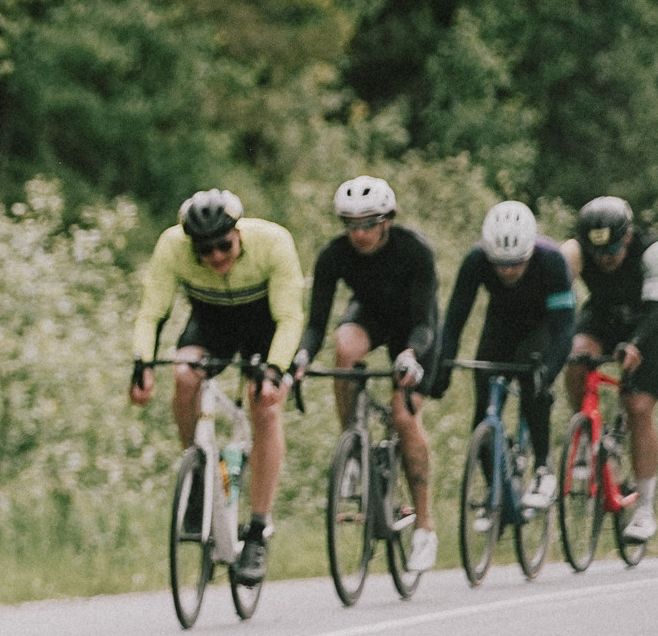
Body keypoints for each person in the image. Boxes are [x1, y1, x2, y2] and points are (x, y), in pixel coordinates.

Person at [128, 188, 303, 586]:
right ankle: (198, 475)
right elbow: (152, 310)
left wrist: (275, 370)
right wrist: (141, 362)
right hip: (212, 323)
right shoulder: (172, 245)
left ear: (238, 232)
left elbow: (290, 317)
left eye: (224, 246)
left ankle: (258, 529)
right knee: (183, 374)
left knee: (265, 407)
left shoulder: (273, 242)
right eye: (204, 252)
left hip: (265, 327)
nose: (217, 258)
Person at [293, 175, 442, 571]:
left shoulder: (415, 251)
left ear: (387, 220)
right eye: (351, 225)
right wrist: (302, 357)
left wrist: (411, 354)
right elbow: (316, 324)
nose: (359, 234)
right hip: (372, 318)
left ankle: (425, 527)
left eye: (369, 224)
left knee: (403, 416)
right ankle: (354, 446)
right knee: (344, 346)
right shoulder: (333, 255)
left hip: (415, 330)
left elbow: (426, 320)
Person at [429, 201, 575, 510]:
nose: (508, 271)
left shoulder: (551, 261)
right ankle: (495, 494)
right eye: (500, 264)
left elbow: (564, 330)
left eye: (517, 263)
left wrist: (547, 373)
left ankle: (543, 468)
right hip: (500, 327)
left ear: (530, 252)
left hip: (542, 327)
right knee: (483, 412)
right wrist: (442, 366)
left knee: (532, 382)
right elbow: (455, 320)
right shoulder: (476, 260)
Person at [561, 196, 658, 543]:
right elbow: (557, 299)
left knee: (638, 408)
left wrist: (636, 343)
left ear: (626, 237)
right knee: (576, 358)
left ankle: (645, 509)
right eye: (597, 252)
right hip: (604, 317)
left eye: (612, 249)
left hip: (649, 325)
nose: (605, 258)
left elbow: (657, 308)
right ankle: (585, 437)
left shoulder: (654, 250)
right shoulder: (575, 250)